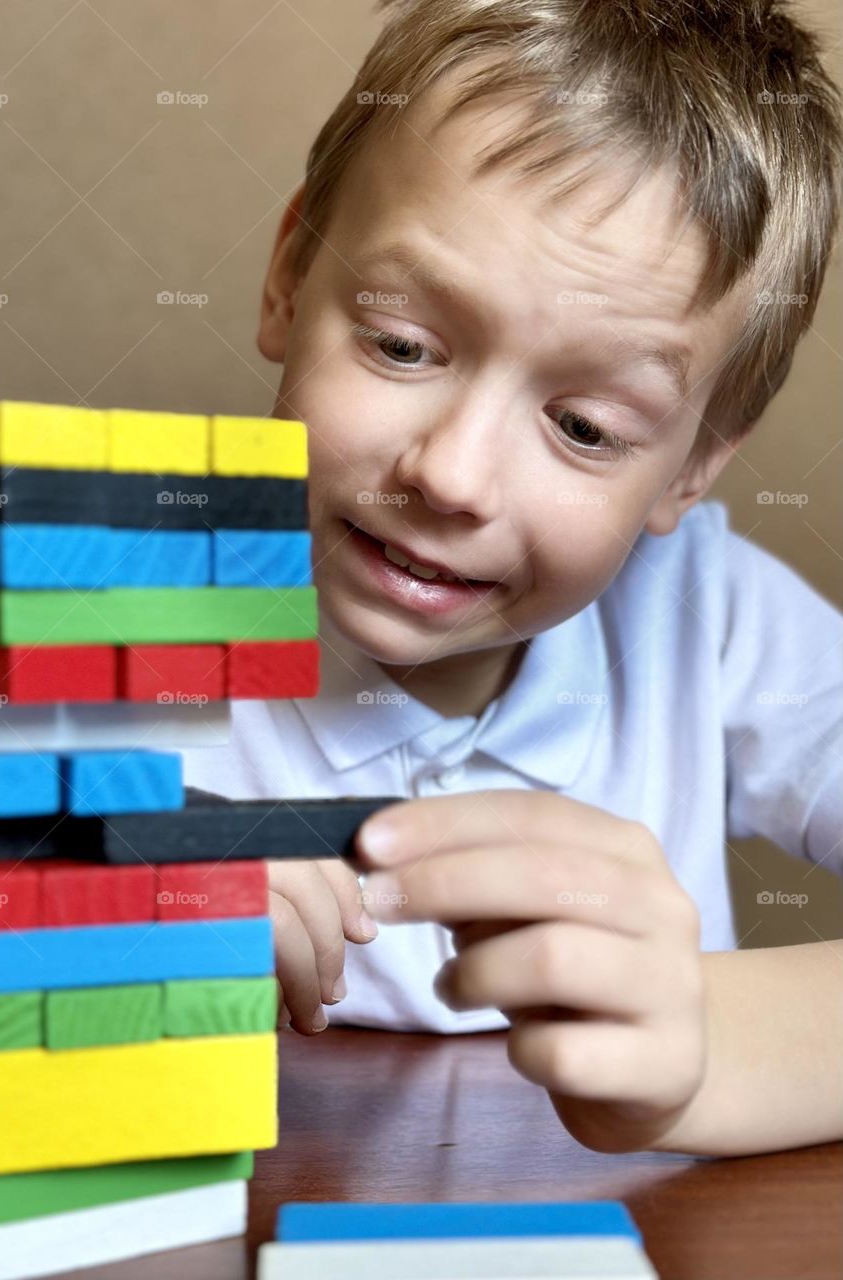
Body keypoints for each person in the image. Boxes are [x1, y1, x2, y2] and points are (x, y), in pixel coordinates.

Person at [179, 0, 843, 1158]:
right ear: (291, 274)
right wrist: (90, 917)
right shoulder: (88, 601)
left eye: (585, 425)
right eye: (399, 344)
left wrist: (713, 1047)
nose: (450, 474)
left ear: (690, 464)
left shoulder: (712, 618)